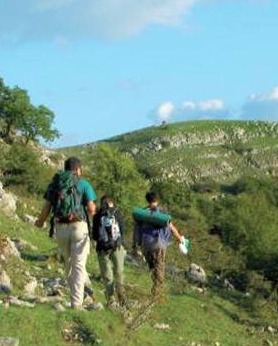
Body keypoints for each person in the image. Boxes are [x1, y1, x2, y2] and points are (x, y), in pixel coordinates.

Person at [35, 157, 97, 310]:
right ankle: (76, 303)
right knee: (79, 265)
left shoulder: (55, 184)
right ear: (78, 169)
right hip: (78, 227)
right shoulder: (83, 183)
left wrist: (40, 221)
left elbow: (47, 207)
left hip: (60, 228)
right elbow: (91, 209)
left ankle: (74, 297)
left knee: (68, 263)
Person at [132, 191, 184, 301]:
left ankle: (155, 290)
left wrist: (135, 246)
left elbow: (136, 230)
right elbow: (171, 227)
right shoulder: (161, 213)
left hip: (145, 245)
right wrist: (179, 238)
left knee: (153, 268)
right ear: (157, 200)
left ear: (147, 200)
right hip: (158, 244)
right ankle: (157, 294)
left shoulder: (142, 214)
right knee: (159, 267)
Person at [92, 195, 126, 309]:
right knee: (119, 273)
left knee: (107, 275)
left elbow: (95, 235)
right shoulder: (118, 213)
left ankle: (111, 301)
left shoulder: (97, 216)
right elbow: (122, 230)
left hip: (102, 249)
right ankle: (122, 298)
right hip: (117, 247)